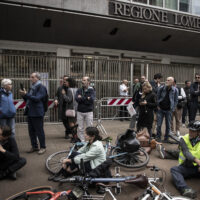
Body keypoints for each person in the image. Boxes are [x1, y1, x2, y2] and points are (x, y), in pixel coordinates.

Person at [170, 121, 200, 199]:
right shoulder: (183, 139)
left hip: (198, 168)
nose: (190, 132)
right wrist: (197, 161)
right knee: (174, 170)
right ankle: (185, 189)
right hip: (187, 166)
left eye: (193, 131)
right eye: (190, 130)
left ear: (198, 132)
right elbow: (186, 152)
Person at [19, 72, 47, 155]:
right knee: (31, 131)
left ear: (37, 78)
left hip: (37, 112)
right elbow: (28, 100)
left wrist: (26, 94)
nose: (30, 78)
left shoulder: (41, 87)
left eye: (32, 77)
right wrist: (24, 95)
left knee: (39, 131)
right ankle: (34, 146)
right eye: (30, 77)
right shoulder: (33, 87)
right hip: (30, 111)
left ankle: (43, 147)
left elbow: (37, 99)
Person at [156, 77, 178, 142]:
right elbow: (157, 97)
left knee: (168, 125)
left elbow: (176, 100)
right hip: (161, 109)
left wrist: (173, 108)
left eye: (169, 80)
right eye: (166, 80)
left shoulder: (175, 90)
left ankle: (166, 138)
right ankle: (158, 137)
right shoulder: (161, 88)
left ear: (172, 82)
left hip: (169, 110)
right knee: (159, 124)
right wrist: (158, 106)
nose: (167, 81)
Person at [75, 77, 96, 142]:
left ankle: (89, 141)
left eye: (84, 80)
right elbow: (77, 99)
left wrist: (82, 98)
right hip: (80, 111)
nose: (82, 81)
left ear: (88, 82)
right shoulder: (79, 90)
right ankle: (82, 141)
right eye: (82, 80)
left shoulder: (92, 90)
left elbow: (92, 100)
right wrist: (87, 98)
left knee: (89, 127)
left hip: (89, 111)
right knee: (80, 128)